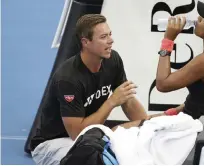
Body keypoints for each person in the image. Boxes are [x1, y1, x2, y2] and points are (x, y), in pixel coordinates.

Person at [30, 14, 147, 165]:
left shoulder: (112, 60)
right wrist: (111, 102)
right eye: (104, 37)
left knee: (136, 148)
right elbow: (77, 134)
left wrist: (147, 126)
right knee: (92, 159)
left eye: (110, 34)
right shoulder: (68, 79)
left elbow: (127, 100)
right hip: (54, 142)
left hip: (90, 137)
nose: (111, 40)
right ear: (86, 42)